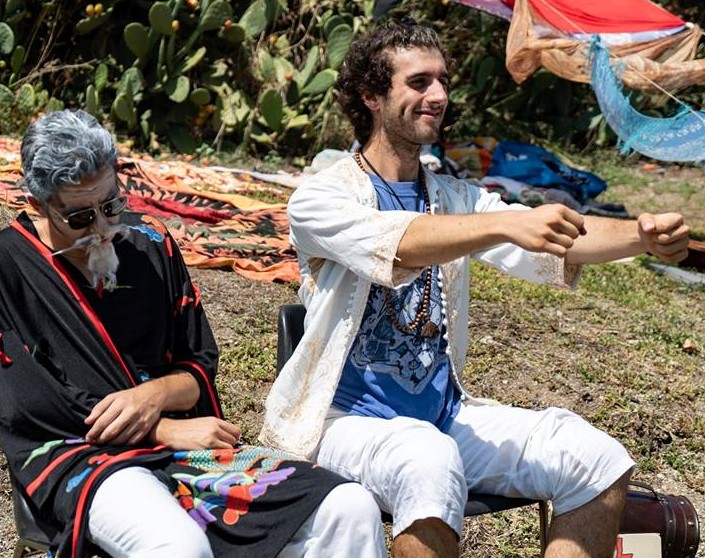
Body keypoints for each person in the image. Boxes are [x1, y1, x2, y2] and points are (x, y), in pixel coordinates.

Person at [259, 17, 690, 558]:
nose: (438, 95)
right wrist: (505, 223)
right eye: (418, 82)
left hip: (443, 417)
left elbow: (559, 240)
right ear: (371, 95)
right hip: (341, 424)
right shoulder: (322, 198)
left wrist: (642, 236)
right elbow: (402, 243)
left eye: (442, 80)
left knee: (592, 456)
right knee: (427, 458)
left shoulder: (453, 196)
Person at [0, 109, 386, 558]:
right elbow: (29, 402)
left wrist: (155, 396)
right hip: (85, 456)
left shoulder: (150, 244)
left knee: (349, 506)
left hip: (186, 449)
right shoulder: (6, 261)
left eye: (112, 205)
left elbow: (197, 364)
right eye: (80, 218)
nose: (101, 228)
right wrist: (161, 429)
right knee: (177, 546)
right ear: (38, 204)